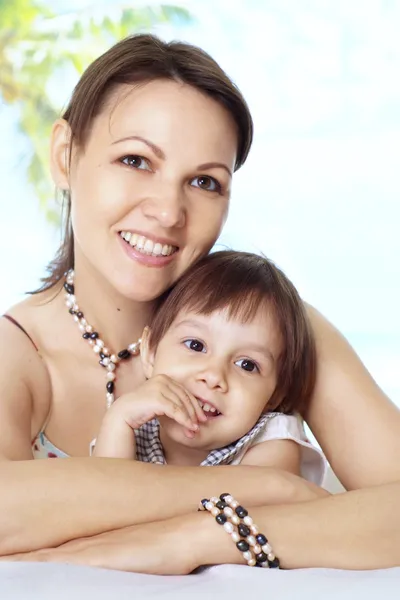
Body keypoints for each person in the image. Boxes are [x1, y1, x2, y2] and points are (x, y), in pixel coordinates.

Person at [0, 34, 399, 571]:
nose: (168, 211)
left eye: (205, 181)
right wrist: (262, 490)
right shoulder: (19, 355)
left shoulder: (275, 326)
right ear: (65, 156)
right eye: (136, 160)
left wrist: (202, 537)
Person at [93, 250, 326, 489]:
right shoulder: (133, 426)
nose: (214, 376)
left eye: (247, 365)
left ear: (275, 395)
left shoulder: (271, 440)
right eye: (196, 345)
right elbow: (101, 506)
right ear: (150, 351)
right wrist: (118, 420)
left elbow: (250, 510)